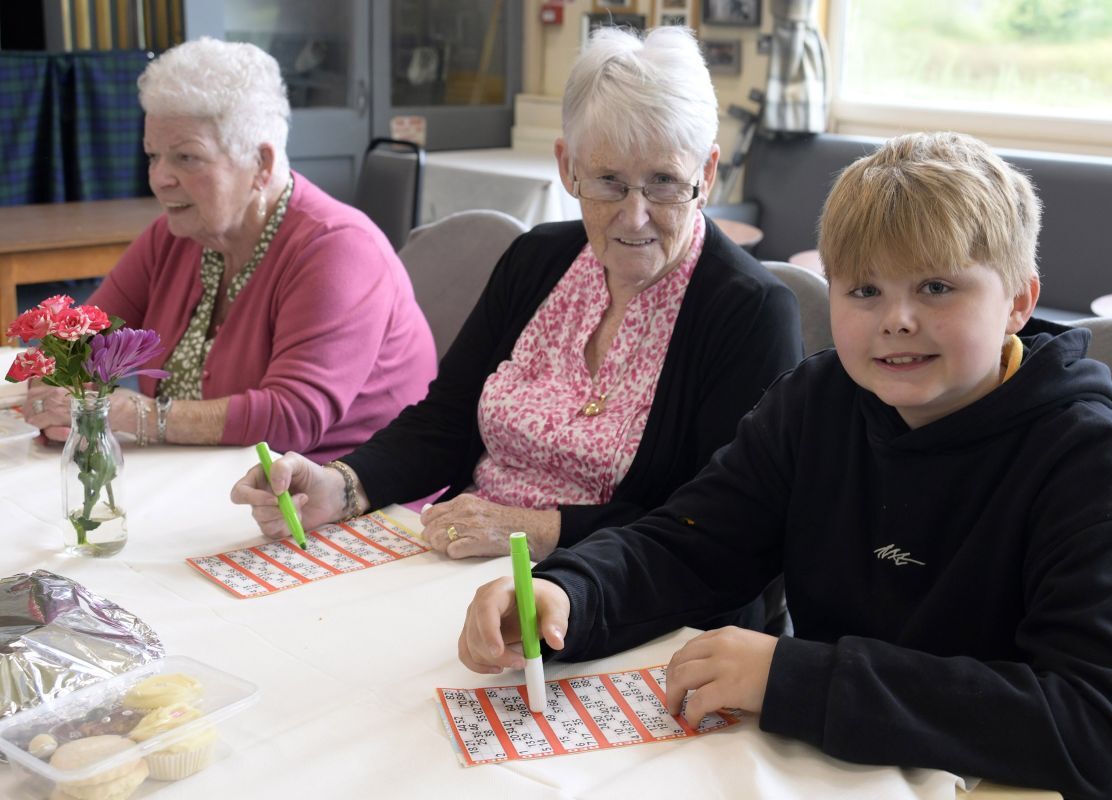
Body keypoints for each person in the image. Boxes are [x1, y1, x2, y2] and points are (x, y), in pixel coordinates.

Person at [457, 132, 1112, 799]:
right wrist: (574, 595)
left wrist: (795, 677)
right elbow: (694, 540)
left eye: (936, 288)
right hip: (860, 766)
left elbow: (1094, 730)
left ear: (1018, 300)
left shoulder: (1083, 460)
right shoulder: (817, 402)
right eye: (864, 291)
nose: (896, 318)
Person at [231, 27, 803, 581]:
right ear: (567, 167)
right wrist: (344, 485)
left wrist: (531, 530)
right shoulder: (537, 260)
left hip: (625, 598)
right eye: (608, 181)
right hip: (465, 564)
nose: (635, 215)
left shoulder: (750, 313)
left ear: (706, 172)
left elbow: (709, 526)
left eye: (663, 182)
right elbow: (446, 423)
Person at [24, 38, 437, 462]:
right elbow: (78, 339)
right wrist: (53, 383)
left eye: (187, 157)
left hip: (337, 496)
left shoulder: (339, 251)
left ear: (261, 164)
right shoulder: (172, 237)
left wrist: (139, 415)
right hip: (211, 481)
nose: (159, 178)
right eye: (153, 156)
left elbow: (294, 418)